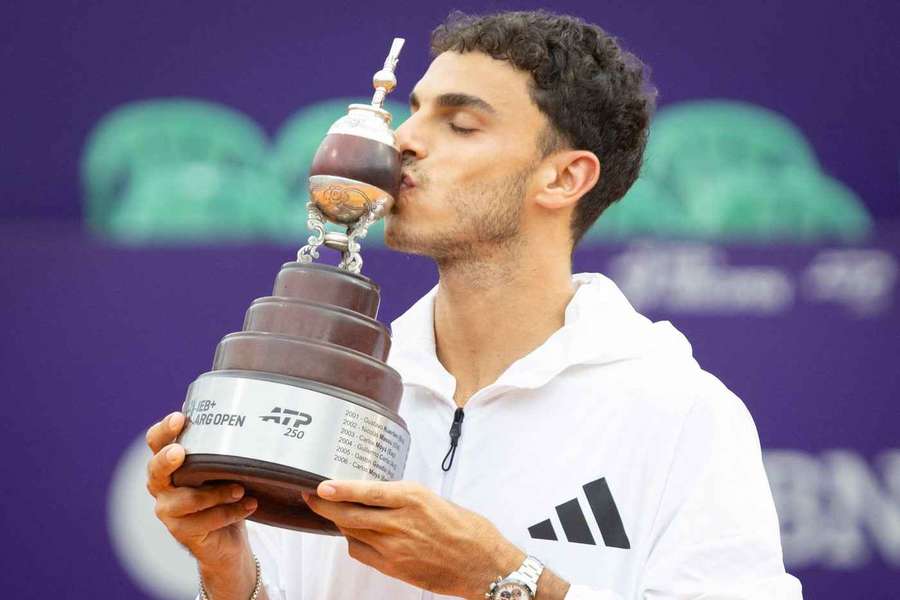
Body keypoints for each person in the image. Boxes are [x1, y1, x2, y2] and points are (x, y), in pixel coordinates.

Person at [145, 10, 802, 600]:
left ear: (564, 177)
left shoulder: (680, 410)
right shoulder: (332, 387)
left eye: (460, 124)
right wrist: (226, 572)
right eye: (413, 111)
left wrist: (508, 579)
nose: (403, 140)